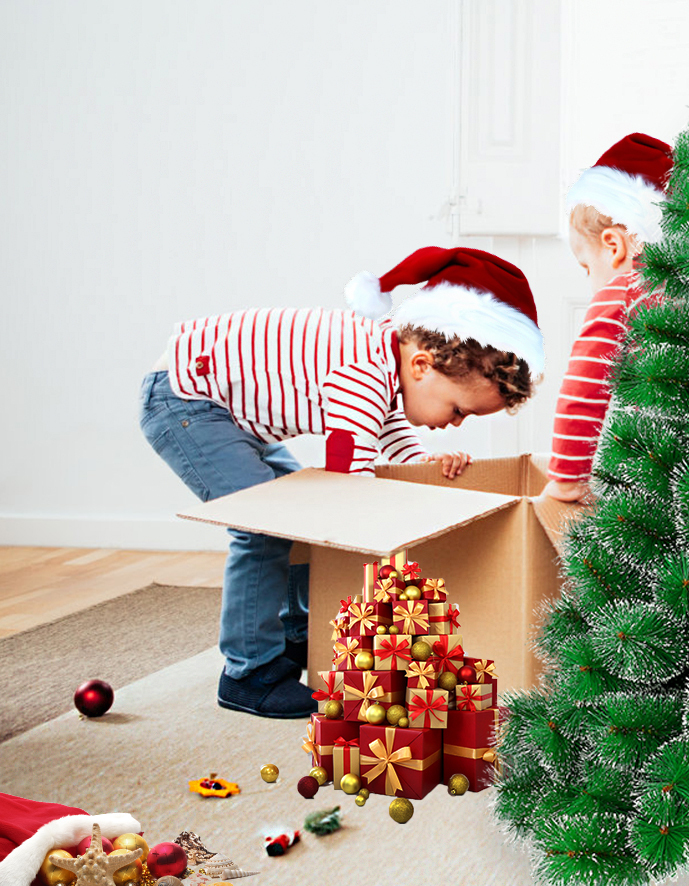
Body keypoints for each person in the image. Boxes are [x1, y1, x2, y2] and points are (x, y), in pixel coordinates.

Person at [140, 246, 544, 719]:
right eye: (458, 410)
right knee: (264, 526)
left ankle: (294, 636)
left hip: (231, 415)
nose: (455, 423)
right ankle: (248, 672)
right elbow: (346, 484)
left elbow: (387, 425)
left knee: (292, 520)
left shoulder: (383, 357)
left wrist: (424, 466)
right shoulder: (363, 374)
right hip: (188, 405)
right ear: (422, 366)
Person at [543, 133, 674, 503]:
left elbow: (584, 386)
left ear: (614, 247)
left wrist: (567, 477)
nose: (590, 280)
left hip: (660, 469)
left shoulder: (625, 291)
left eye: (587, 266)